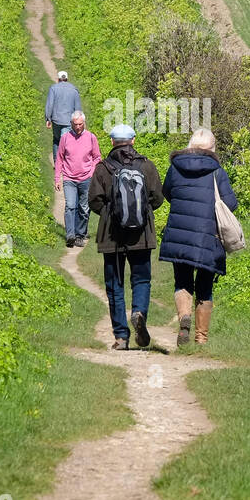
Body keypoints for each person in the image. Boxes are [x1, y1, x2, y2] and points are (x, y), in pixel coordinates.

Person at [158, 127, 238, 346]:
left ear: (190, 145)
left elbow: (167, 193)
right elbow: (230, 204)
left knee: (182, 281)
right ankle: (201, 339)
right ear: (212, 148)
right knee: (205, 286)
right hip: (208, 237)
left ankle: (184, 316)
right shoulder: (217, 172)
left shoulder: (175, 167)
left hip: (179, 234)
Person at [88, 124, 164, 350]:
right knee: (141, 279)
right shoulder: (146, 166)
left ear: (112, 142)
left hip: (112, 238)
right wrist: (140, 214)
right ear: (133, 140)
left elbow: (94, 200)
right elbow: (158, 198)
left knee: (115, 285)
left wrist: (112, 215)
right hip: (141, 234)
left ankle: (121, 337)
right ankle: (139, 311)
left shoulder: (103, 168)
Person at [55, 111, 101, 247]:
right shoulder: (65, 138)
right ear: (71, 124)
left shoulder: (91, 137)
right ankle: (70, 235)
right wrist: (57, 178)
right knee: (70, 206)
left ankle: (80, 235)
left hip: (86, 178)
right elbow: (59, 159)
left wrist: (92, 172)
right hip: (69, 177)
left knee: (84, 208)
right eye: (75, 124)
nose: (78, 127)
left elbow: (97, 157)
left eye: (80, 124)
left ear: (84, 123)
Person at [45, 70, 82, 162]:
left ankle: (57, 162)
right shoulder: (74, 90)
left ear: (58, 79)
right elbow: (77, 108)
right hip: (69, 121)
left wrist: (48, 118)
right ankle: (66, 162)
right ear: (67, 79)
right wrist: (79, 123)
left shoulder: (53, 88)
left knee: (57, 140)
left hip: (56, 120)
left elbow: (50, 105)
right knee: (67, 142)